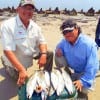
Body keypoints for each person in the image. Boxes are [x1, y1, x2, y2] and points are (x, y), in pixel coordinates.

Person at [0, 0, 53, 86]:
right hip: (17, 60)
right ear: (18, 9)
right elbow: (7, 50)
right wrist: (21, 69)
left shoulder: (35, 26)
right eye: (25, 8)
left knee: (49, 53)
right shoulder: (7, 26)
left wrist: (43, 54)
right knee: (23, 82)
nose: (28, 11)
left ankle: (46, 75)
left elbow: (42, 41)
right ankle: (5, 62)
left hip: (30, 53)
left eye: (31, 9)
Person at [55, 18, 99, 96]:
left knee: (84, 89)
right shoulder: (64, 41)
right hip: (73, 70)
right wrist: (59, 50)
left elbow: (93, 66)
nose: (67, 34)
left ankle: (82, 89)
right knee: (57, 55)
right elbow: (58, 47)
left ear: (77, 29)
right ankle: (65, 73)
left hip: (85, 72)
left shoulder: (88, 44)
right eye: (65, 32)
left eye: (70, 31)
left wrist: (83, 81)